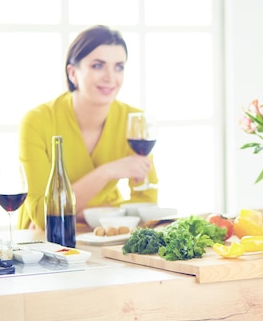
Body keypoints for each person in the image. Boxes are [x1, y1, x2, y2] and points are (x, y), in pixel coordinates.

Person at [18, 25, 158, 231]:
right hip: (46, 240)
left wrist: (89, 212)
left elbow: (147, 204)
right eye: (98, 66)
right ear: (73, 73)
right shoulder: (37, 121)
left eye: (119, 67)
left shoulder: (133, 121)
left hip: (104, 235)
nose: (111, 77)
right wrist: (107, 172)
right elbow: (43, 215)